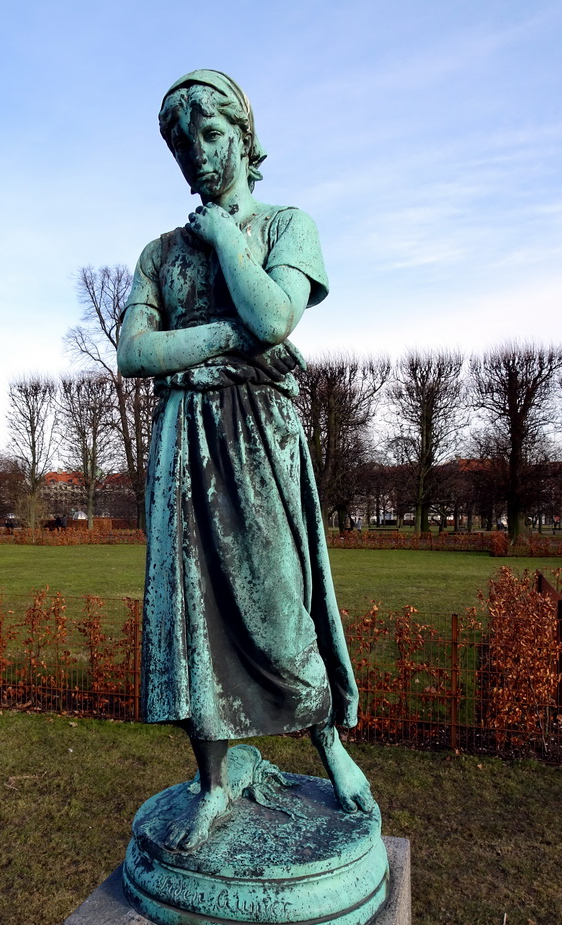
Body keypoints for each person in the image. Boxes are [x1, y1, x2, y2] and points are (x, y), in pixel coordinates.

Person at [118, 70, 375, 852]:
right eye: (180, 142)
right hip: (184, 445)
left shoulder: (287, 227)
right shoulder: (159, 253)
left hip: (259, 438)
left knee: (280, 602)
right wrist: (229, 339)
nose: (195, 154)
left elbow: (273, 313)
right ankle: (212, 783)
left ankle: (330, 747)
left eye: (210, 135)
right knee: (191, 619)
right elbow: (135, 351)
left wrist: (228, 238)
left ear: (243, 136)